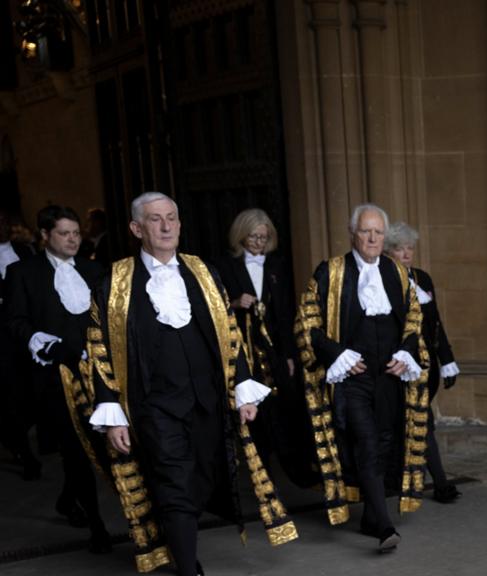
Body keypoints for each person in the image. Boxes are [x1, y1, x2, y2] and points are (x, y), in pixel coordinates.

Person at [83, 192, 297, 576]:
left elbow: (230, 334)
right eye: (154, 219)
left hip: (207, 399)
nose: (166, 227)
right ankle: (187, 566)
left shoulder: (203, 270)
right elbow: (99, 346)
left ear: (180, 224)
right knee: (174, 481)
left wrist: (243, 386)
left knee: (200, 477)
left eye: (171, 218)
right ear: (136, 228)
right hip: (154, 405)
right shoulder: (114, 282)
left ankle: (176, 533)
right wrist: (112, 411)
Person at [295, 203, 430, 553]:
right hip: (352, 379)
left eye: (378, 233)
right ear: (352, 233)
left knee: (384, 442)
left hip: (388, 375)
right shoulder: (330, 272)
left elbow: (415, 318)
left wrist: (407, 351)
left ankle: (372, 516)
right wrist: (336, 353)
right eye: (365, 231)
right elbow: (307, 323)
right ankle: (384, 526)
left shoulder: (397, 273)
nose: (372, 238)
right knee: (367, 442)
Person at [4, 205, 110, 552]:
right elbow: (15, 321)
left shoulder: (95, 270)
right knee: (76, 448)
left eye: (77, 233)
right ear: (45, 235)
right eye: (64, 233)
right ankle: (97, 524)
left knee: (96, 445)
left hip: (98, 373)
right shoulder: (24, 272)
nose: (73, 239)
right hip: (56, 377)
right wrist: (38, 339)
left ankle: (68, 499)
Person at [216, 208, 317, 488]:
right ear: (241, 236)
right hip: (245, 351)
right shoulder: (225, 265)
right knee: (254, 412)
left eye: (264, 236)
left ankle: (298, 470)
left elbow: (285, 313)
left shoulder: (277, 265)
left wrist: (288, 354)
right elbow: (213, 307)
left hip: (274, 350)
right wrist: (235, 303)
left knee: (286, 408)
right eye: (254, 236)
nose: (259, 242)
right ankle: (263, 476)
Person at [384, 222, 462, 503]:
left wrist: (447, 359)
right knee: (404, 423)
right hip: (394, 366)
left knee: (423, 421)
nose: (406, 253)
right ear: (387, 251)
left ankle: (434, 482)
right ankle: (430, 483)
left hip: (424, 364)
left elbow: (435, 323)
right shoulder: (380, 279)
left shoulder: (422, 278)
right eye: (399, 248)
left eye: (410, 248)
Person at [0, 207, 40, 481]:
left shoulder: (25, 252)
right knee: (9, 392)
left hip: (25, 333)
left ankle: (20, 436)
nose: (2, 226)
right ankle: (23, 451)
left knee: (30, 390)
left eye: (4, 220)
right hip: (1, 339)